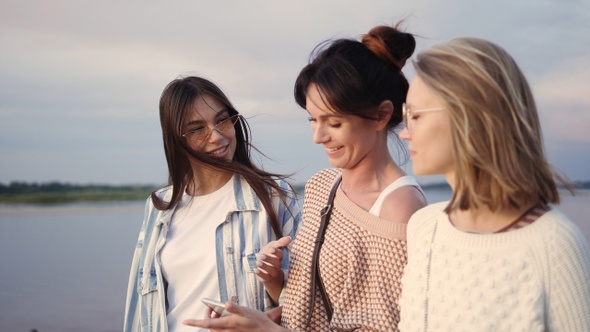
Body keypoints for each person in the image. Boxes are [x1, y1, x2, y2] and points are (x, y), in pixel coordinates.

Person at [184, 23, 427, 331]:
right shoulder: (322, 185)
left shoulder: (399, 208)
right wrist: (276, 282)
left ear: (381, 115)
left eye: (333, 123)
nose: (318, 136)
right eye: (313, 119)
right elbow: (311, 309)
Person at [397, 37, 590, 331]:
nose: (404, 132)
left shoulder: (553, 245)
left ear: (469, 116)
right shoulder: (423, 227)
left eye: (415, 115)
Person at [123, 76, 302, 332]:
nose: (216, 136)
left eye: (222, 120)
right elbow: (140, 306)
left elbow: (308, 306)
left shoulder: (275, 197)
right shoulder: (159, 207)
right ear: (176, 139)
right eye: (197, 129)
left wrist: (275, 281)